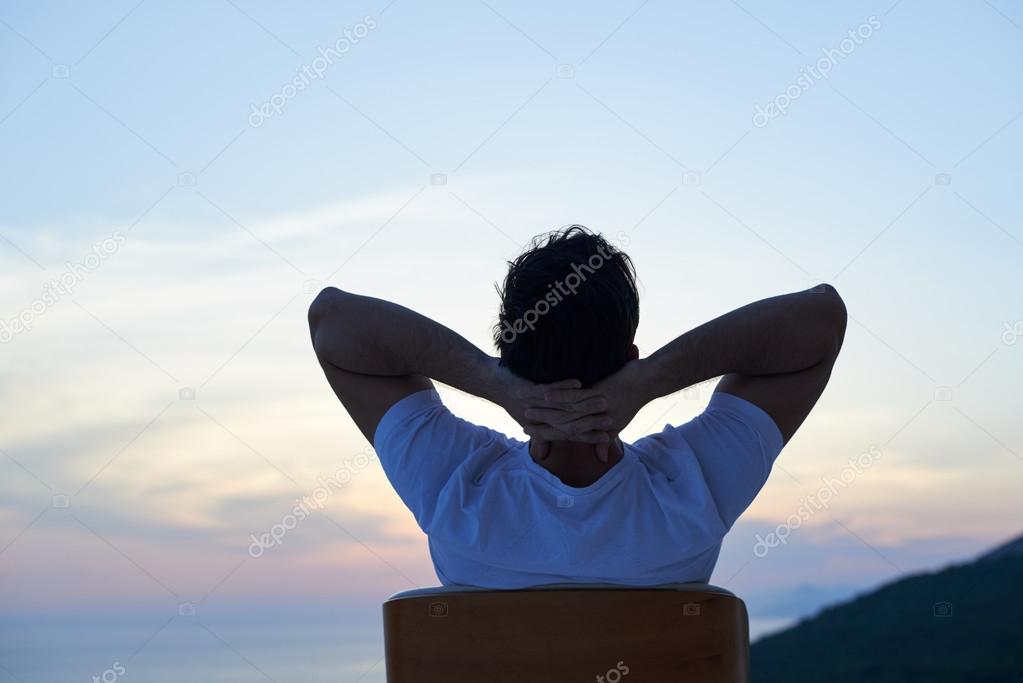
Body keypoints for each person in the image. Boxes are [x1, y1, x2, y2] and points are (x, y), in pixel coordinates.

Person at [308, 226, 847, 587]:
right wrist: (651, 380)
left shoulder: (455, 492)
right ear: (629, 356)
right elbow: (821, 319)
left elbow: (331, 320)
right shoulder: (692, 495)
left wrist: (492, 381)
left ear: (511, 355)